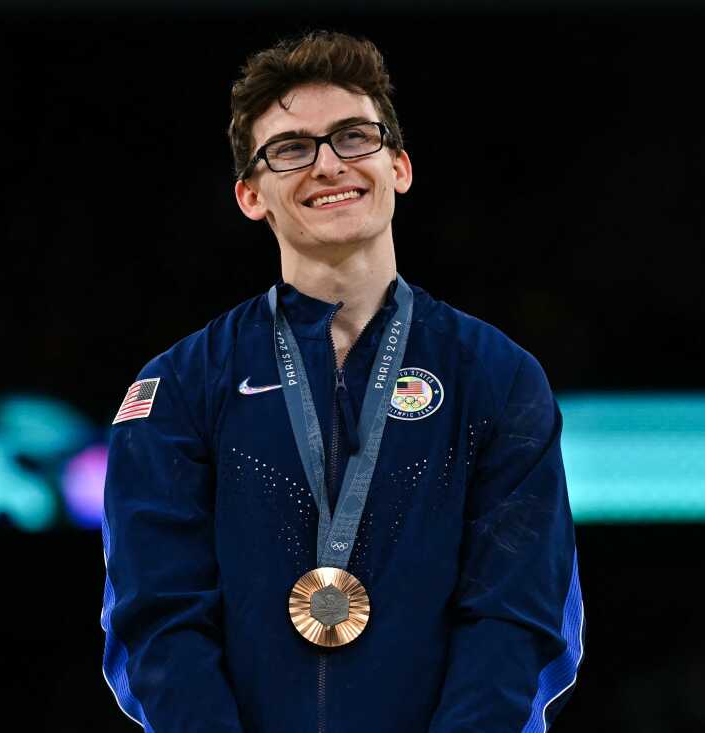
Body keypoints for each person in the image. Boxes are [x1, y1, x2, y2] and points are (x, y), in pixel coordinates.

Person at [101, 30, 584, 733]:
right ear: (249, 195)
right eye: (292, 148)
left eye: (353, 137)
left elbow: (518, 613)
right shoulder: (178, 386)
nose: (328, 164)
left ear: (400, 165)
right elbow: (157, 619)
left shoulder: (498, 375)